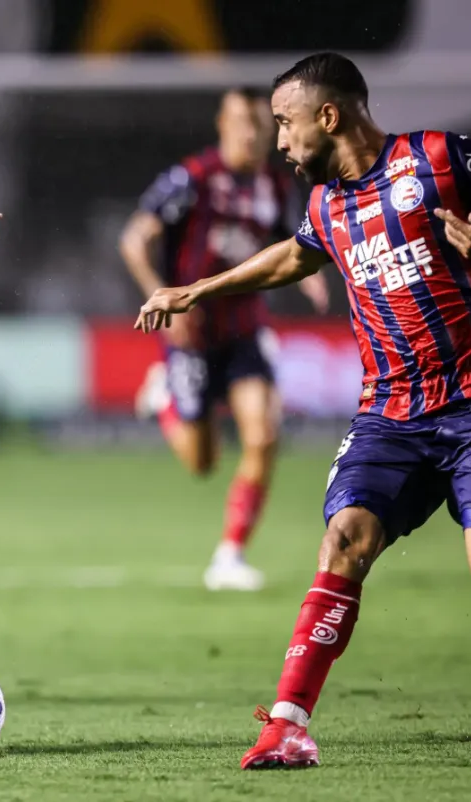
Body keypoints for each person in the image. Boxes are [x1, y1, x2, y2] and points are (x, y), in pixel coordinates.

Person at [135, 52, 471, 769]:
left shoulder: (442, 158)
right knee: (344, 540)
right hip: (389, 410)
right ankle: (287, 725)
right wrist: (196, 290)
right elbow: (292, 258)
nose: (280, 142)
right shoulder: (326, 206)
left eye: (285, 123)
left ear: (328, 116)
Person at [120, 87, 330, 591]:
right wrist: (158, 296)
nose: (251, 133)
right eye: (241, 121)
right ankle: (164, 395)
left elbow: (293, 245)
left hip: (245, 330)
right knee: (203, 462)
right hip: (192, 334)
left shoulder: (275, 186)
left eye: (260, 123)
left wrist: (313, 279)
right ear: (222, 124)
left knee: (264, 435)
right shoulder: (191, 179)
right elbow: (134, 240)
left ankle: (230, 555)